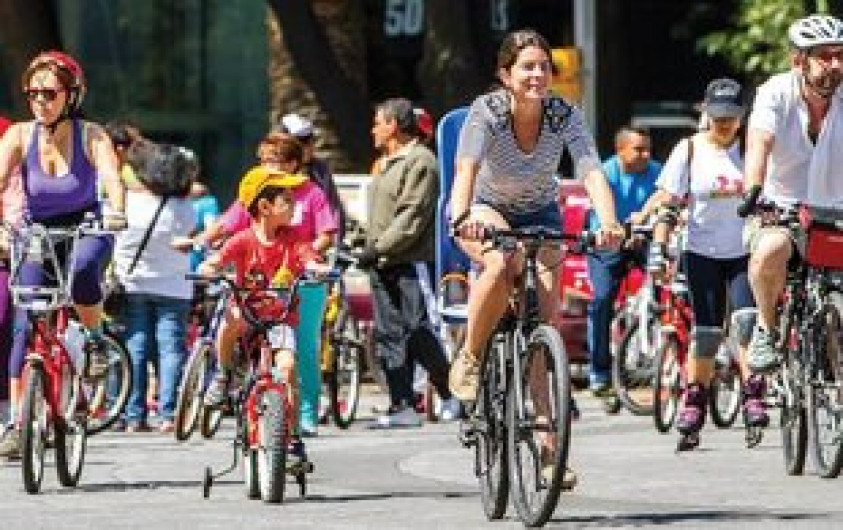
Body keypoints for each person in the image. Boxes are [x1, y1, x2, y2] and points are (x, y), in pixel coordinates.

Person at [447, 29, 623, 488]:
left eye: (544, 66)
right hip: (485, 210)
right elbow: (465, 170)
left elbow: (591, 170)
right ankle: (469, 355)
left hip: (541, 212)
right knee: (501, 263)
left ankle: (550, 456)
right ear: (506, 74)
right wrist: (463, 216)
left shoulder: (564, 114)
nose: (537, 75)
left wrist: (608, 221)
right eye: (527, 66)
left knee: (545, 336)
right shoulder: (488, 113)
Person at [0, 51, 126, 458]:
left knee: (84, 270)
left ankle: (92, 342)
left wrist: (118, 210)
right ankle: (18, 422)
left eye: (49, 93)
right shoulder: (19, 135)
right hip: (38, 230)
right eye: (33, 92)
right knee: (26, 318)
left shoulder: (91, 135)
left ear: (71, 95)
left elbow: (110, 176)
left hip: (87, 224)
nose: (40, 100)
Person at [647, 78, 764, 446]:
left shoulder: (752, 148)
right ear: (705, 114)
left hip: (744, 252)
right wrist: (659, 248)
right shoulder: (690, 150)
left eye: (731, 116)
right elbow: (667, 201)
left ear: (742, 116)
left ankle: (753, 392)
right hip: (702, 254)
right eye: (717, 117)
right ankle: (695, 396)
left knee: (747, 323)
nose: (725, 124)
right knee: (707, 332)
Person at [200, 165, 322, 463]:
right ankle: (223, 373)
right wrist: (210, 268)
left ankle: (292, 438)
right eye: (287, 201)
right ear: (265, 207)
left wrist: (318, 269)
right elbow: (220, 258)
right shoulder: (243, 240)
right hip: (249, 314)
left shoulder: (293, 239)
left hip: (280, 318)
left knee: (289, 368)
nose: (294, 206)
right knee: (231, 319)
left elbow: (309, 258)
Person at [742, 14, 843, 373]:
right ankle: (766, 328)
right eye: (825, 56)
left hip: (835, 212)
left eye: (840, 55)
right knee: (769, 249)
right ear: (798, 60)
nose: (835, 65)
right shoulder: (775, 92)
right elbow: (760, 142)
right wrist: (754, 189)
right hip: (781, 207)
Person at [360, 97, 460, 428]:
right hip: (383, 262)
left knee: (418, 329)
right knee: (390, 333)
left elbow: (412, 214)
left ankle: (450, 391)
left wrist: (381, 246)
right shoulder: (386, 163)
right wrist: (366, 246)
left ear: (393, 125)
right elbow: (379, 214)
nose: (372, 129)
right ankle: (401, 404)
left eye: (377, 122)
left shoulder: (421, 161)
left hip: (410, 260)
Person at [113, 142, 196, 433]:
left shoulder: (129, 202)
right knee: (171, 349)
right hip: (174, 286)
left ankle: (133, 415)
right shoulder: (186, 209)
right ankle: (167, 413)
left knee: (134, 346)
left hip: (133, 283)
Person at [585, 126, 661, 411]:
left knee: (672, 288)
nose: (645, 155)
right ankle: (600, 373)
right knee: (602, 299)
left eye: (648, 149)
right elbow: (597, 218)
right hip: (609, 241)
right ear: (620, 151)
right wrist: (616, 232)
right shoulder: (604, 174)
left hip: (645, 238)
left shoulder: (658, 172)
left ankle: (671, 353)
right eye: (638, 149)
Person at [0, 116, 25, 428]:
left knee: (4, 317)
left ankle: (7, 408)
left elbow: (16, 198)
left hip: (5, 250)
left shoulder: (9, 133)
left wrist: (8, 235)